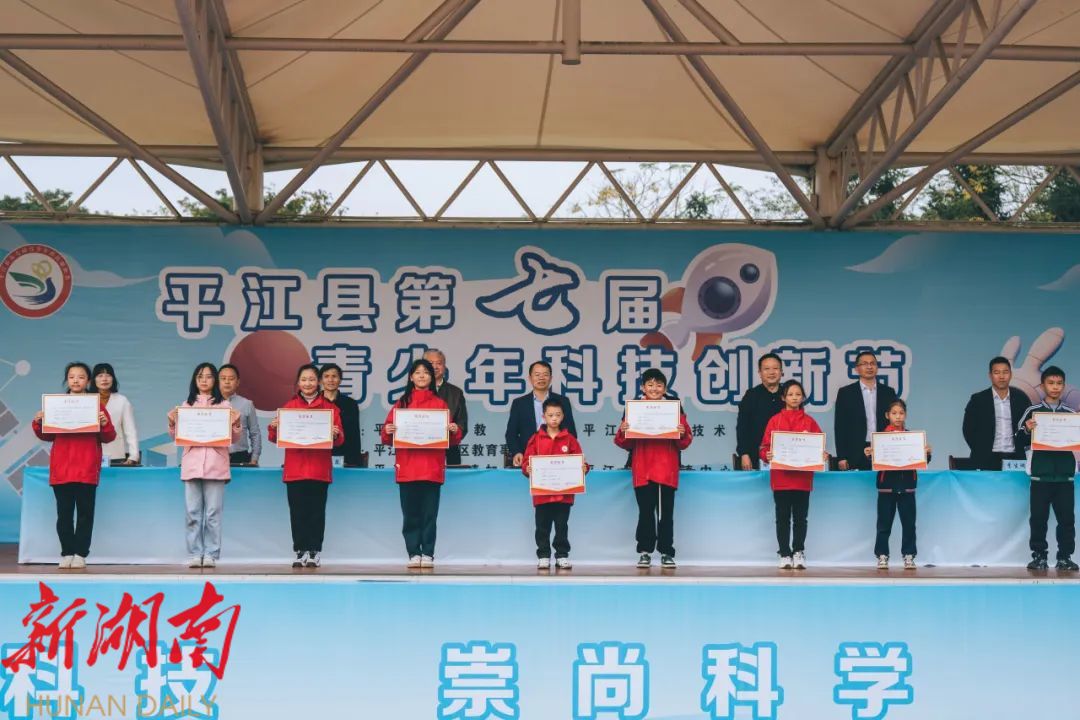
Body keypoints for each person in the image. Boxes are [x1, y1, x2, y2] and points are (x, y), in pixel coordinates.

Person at [31, 362, 116, 568]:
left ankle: (80, 554)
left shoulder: (97, 406)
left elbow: (109, 437)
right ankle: (67, 552)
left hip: (86, 468)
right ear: (67, 380)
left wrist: (105, 424)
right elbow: (46, 435)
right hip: (62, 469)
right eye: (71, 377)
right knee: (64, 515)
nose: (76, 381)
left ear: (88, 381)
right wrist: (39, 422)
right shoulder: (56, 405)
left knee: (85, 514)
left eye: (81, 377)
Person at [381, 358, 463, 568]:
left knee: (429, 515)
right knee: (410, 515)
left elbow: (452, 439)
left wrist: (454, 431)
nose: (422, 376)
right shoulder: (402, 403)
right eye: (417, 372)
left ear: (432, 377)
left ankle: (428, 553)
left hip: (431, 467)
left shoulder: (440, 404)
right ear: (411, 377)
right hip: (408, 467)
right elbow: (386, 435)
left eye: (425, 372)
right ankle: (413, 553)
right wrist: (388, 430)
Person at [267, 364, 344, 568]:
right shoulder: (289, 407)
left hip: (319, 469)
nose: (308, 383)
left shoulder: (330, 408)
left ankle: (314, 551)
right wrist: (273, 428)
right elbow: (275, 438)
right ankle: (300, 551)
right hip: (295, 469)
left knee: (317, 512)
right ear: (298, 383)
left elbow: (340, 440)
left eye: (311, 379)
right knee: (297, 512)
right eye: (304, 379)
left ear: (318, 382)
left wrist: (335, 434)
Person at [615, 369, 693, 569]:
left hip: (667, 468)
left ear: (665, 388)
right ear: (643, 387)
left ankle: (666, 551)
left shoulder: (674, 407)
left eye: (659, 385)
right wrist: (623, 431)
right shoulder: (634, 408)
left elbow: (685, 441)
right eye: (650, 385)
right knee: (646, 512)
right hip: (643, 468)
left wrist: (682, 433)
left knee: (666, 514)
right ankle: (645, 551)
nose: (654, 389)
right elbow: (624, 443)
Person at [168, 363, 242, 568]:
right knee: (192, 512)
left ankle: (210, 554)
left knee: (212, 514)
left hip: (216, 466)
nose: (204, 380)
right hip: (192, 465)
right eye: (200, 376)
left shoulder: (224, 406)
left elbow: (234, 439)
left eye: (209, 376)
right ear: (195, 380)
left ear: (214, 380)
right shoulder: (186, 406)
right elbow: (177, 438)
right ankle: (194, 553)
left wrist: (236, 424)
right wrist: (173, 423)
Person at [1015, 366, 1077, 571]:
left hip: (1065, 477)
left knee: (1066, 520)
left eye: (1059, 383)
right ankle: (1039, 556)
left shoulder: (1071, 415)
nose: (1055, 387)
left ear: (1064, 386)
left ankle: (1065, 557)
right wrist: (1027, 429)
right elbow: (1018, 440)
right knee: (1038, 519)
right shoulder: (1032, 412)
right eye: (1051, 383)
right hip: (1040, 477)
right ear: (1042, 386)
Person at [760, 379, 826, 570]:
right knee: (782, 517)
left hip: (802, 478)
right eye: (790, 394)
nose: (794, 398)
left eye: (798, 394)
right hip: (781, 477)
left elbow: (819, 447)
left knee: (800, 518)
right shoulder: (775, 420)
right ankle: (784, 553)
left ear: (803, 397)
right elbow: (764, 447)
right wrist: (766, 455)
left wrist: (822, 454)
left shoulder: (809, 421)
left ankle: (798, 551)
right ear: (783, 398)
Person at [522, 397, 586, 570]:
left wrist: (583, 468)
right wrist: (527, 468)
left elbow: (580, 462)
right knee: (542, 526)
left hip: (564, 494)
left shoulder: (570, 439)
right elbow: (526, 462)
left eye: (558, 415)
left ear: (563, 416)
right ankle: (543, 555)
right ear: (544, 416)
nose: (554, 418)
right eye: (550, 415)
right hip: (542, 494)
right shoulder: (536, 439)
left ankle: (562, 555)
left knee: (561, 526)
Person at [866, 399, 929, 570]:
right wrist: (869, 454)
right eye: (894, 413)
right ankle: (882, 555)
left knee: (909, 524)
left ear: (905, 415)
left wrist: (926, 453)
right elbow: (873, 462)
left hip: (907, 487)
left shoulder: (912, 438)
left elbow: (923, 460)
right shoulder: (880, 438)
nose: (898, 417)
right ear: (887, 415)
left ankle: (909, 555)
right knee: (884, 524)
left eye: (901, 413)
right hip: (886, 488)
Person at [962, 356, 1030, 470]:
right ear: (990, 375)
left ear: (1011, 375)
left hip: (1015, 458)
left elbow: (1029, 428)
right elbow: (968, 430)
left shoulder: (1021, 399)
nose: (1001, 376)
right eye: (997, 372)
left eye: (1005, 372)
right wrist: (980, 451)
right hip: (985, 459)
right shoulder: (978, 400)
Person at [834, 351, 898, 470]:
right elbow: (840, 427)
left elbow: (896, 421)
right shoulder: (846, 393)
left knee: (883, 481)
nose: (869, 367)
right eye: (864, 364)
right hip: (855, 450)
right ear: (857, 369)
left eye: (873, 363)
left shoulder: (888, 392)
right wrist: (841, 456)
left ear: (877, 367)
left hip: (884, 448)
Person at [506, 361, 577, 468]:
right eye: (537, 375)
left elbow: (571, 432)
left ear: (551, 378)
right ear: (530, 378)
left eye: (545, 375)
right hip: (528, 459)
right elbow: (511, 434)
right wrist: (517, 452)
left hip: (558, 458)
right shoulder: (519, 403)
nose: (541, 378)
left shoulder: (563, 401)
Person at [735, 353, 784, 470]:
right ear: (760, 373)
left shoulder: (789, 395)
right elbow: (742, 427)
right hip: (754, 456)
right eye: (766, 369)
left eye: (775, 368)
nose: (771, 372)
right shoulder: (751, 395)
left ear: (781, 372)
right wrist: (744, 453)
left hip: (785, 456)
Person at [425, 348, 469, 466]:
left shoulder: (456, 393)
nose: (434, 367)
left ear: (444, 367)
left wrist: (455, 430)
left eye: (439, 363)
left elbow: (462, 425)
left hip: (450, 451)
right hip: (420, 452)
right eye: (430, 363)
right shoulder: (412, 393)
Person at [92, 363, 139, 465]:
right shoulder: (86, 400)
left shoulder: (122, 400)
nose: (104, 379)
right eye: (100, 376)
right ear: (93, 380)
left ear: (113, 379)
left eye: (108, 375)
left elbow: (130, 430)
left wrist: (134, 456)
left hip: (115, 455)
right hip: (90, 456)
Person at [320, 363, 364, 467]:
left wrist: (353, 461)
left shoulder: (350, 404)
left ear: (340, 380)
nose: (330, 380)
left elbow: (354, 435)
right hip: (318, 457)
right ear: (320, 380)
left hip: (344, 458)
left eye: (334, 376)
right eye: (326, 376)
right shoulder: (314, 403)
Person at [219, 364, 261, 466]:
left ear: (238, 382)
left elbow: (255, 433)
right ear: (217, 381)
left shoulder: (247, 404)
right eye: (223, 378)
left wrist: (254, 458)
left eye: (231, 379)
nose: (227, 382)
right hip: (216, 456)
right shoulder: (209, 404)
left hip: (240, 457)